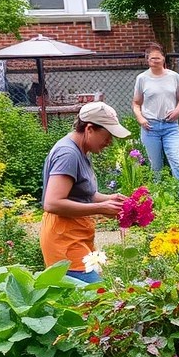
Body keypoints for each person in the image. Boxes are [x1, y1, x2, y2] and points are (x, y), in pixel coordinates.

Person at [40, 102, 130, 283]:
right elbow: (52, 203)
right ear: (90, 129)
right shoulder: (68, 154)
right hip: (63, 238)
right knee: (96, 296)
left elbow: (82, 195)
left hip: (75, 234)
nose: (110, 142)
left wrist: (109, 199)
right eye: (108, 135)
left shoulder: (81, 151)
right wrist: (100, 207)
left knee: (88, 302)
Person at [132, 43, 179, 214]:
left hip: (170, 127)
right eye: (151, 58)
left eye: (158, 57)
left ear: (163, 58)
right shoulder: (142, 79)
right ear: (147, 60)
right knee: (156, 167)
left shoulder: (173, 76)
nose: (155, 60)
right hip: (150, 127)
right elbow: (136, 103)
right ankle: (158, 205)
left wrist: (177, 111)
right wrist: (140, 119)